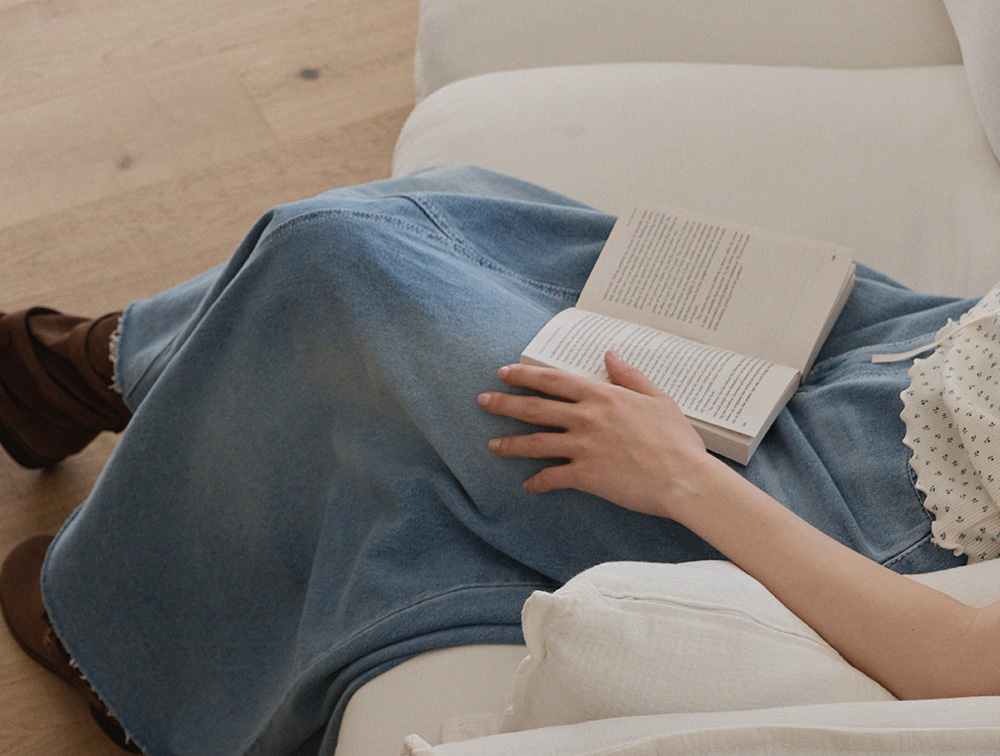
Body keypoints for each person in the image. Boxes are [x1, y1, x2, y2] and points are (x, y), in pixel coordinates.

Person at [1, 166, 997, 756]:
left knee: (337, 259)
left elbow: (965, 662)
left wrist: (681, 479)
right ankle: (74, 374)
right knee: (453, 205)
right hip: (905, 342)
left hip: (840, 510)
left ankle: (80, 396)